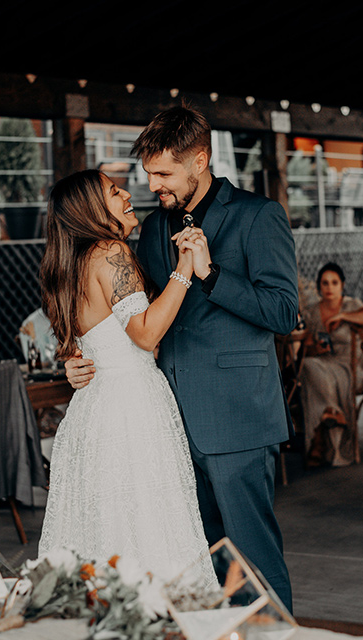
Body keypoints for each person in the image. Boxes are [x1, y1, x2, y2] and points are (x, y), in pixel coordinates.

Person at [65, 106, 298, 610]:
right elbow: (126, 314)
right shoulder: (150, 231)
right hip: (161, 426)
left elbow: (283, 312)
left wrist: (212, 275)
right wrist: (82, 358)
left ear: (200, 159)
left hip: (235, 416)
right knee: (199, 559)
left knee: (251, 558)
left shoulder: (258, 215)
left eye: (164, 173)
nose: (154, 185)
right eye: (148, 174)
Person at [36, 169, 216, 585]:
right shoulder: (110, 251)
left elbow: (85, 345)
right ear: (91, 210)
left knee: (108, 526)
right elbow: (146, 333)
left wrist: (74, 364)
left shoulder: (71, 265)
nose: (127, 194)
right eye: (114, 192)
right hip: (131, 408)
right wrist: (185, 267)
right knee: (150, 523)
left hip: (94, 409)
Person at [299, 262, 363, 466]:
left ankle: (319, 440)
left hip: (350, 366)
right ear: (319, 287)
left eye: (334, 282)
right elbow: (305, 346)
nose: (329, 287)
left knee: (313, 375)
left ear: (342, 285)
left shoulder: (351, 305)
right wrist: (316, 348)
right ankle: (332, 415)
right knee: (308, 365)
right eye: (324, 283)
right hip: (323, 363)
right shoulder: (312, 311)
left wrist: (342, 316)